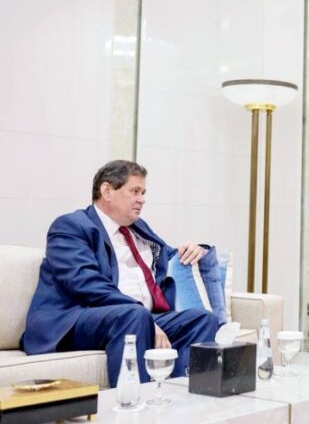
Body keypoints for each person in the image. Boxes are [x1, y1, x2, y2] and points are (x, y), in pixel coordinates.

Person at [21, 160, 220, 387]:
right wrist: (141, 315)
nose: (142, 199)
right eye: (135, 191)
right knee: (134, 316)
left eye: (143, 193)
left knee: (202, 320)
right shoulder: (71, 226)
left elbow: (166, 257)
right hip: (76, 318)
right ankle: (135, 403)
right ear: (107, 191)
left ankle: (179, 397)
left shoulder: (138, 228)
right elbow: (85, 283)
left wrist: (195, 249)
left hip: (136, 316)